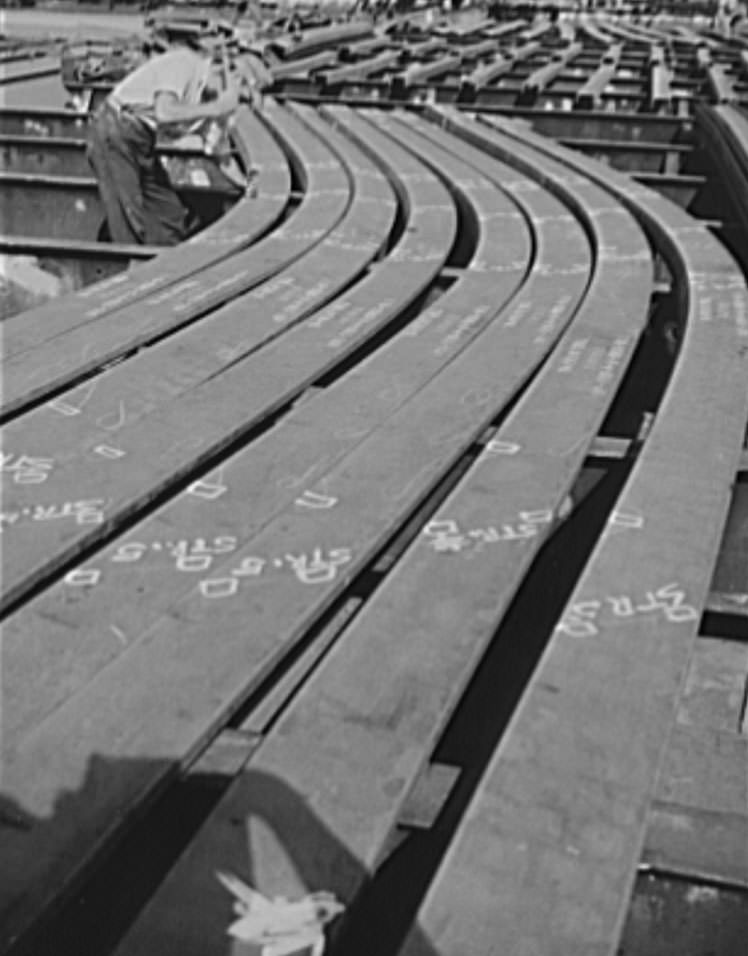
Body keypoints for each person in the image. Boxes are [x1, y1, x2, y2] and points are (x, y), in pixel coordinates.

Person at [86, 41, 242, 246]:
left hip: (142, 139)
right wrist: (217, 107)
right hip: (116, 129)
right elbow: (165, 111)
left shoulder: (206, 102)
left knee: (168, 213)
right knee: (128, 218)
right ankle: (130, 270)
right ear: (217, 69)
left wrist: (246, 186)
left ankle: (167, 262)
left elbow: (221, 156)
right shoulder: (185, 64)